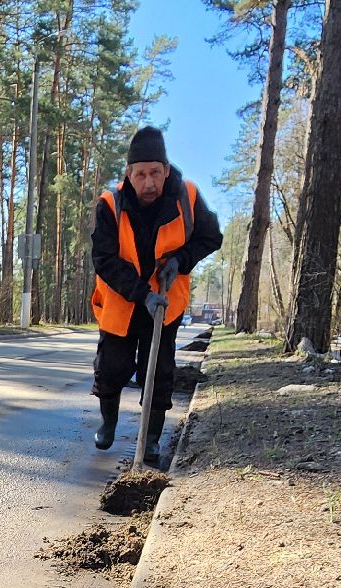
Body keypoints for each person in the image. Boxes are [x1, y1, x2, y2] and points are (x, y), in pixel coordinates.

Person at [89, 125, 223, 464]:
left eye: (155, 173)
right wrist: (140, 293)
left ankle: (150, 439)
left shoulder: (187, 197)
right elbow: (103, 259)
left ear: (166, 170)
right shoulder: (110, 205)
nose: (149, 182)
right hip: (122, 301)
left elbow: (211, 238)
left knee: (159, 370)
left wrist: (180, 260)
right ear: (129, 174)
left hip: (165, 302)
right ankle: (108, 422)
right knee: (111, 367)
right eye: (141, 174)